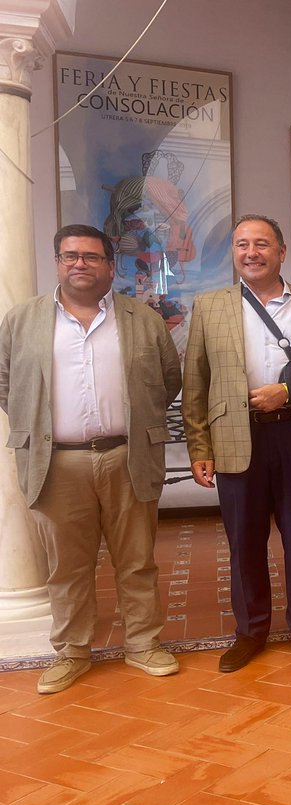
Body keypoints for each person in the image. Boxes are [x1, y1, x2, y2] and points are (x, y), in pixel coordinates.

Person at [0, 224, 182, 693]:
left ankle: (143, 644)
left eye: (90, 256)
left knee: (137, 559)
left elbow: (168, 379)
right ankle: (72, 652)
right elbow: (6, 384)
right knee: (67, 566)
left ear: (110, 265)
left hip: (128, 456)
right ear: (57, 262)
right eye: (69, 256)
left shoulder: (142, 318)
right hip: (57, 463)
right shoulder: (22, 320)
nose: (79, 263)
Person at [183, 214, 291, 672]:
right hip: (236, 438)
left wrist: (290, 391)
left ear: (281, 252)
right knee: (244, 541)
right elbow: (195, 382)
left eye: (261, 243)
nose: (251, 252)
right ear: (234, 253)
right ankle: (250, 631)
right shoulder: (210, 306)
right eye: (242, 244)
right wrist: (200, 447)